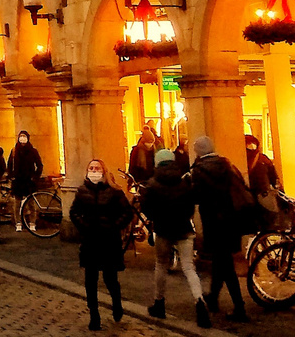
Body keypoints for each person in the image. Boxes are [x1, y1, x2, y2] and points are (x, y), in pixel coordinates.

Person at [140, 149, 209, 327]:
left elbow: (146, 208)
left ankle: (159, 303)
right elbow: (191, 205)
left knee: (161, 265)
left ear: (157, 163)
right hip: (184, 228)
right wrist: (184, 217)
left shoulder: (153, 183)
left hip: (163, 229)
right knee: (188, 267)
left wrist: (157, 218)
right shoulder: (184, 181)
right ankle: (199, 301)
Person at [189, 135, 249, 323]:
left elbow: (196, 197)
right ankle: (213, 297)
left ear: (198, 151)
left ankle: (240, 308)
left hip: (214, 222)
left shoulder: (199, 170)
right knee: (221, 261)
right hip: (232, 220)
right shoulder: (227, 165)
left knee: (225, 265)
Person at [69, 158, 131, 330]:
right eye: (91, 168)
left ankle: (116, 304)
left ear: (103, 171)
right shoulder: (82, 191)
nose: (94, 170)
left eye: (97, 168)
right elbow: (74, 212)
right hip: (90, 241)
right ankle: (94, 314)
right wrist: (83, 225)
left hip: (109, 241)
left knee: (110, 278)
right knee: (91, 279)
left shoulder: (114, 191)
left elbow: (127, 212)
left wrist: (115, 226)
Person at [8, 130, 44, 232]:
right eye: (21, 136)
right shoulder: (14, 150)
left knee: (31, 203)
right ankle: (18, 223)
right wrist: (11, 176)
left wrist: (35, 177)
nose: (22, 138)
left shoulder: (33, 151)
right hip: (18, 181)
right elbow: (9, 164)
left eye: (24, 136)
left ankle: (32, 223)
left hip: (29, 180)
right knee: (17, 204)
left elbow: (40, 165)